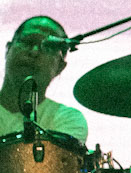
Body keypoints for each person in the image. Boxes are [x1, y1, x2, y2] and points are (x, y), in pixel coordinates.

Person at [0, 16, 87, 144]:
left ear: (60, 67)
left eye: (48, 47)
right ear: (8, 50)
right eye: (27, 42)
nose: (34, 52)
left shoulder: (67, 118)